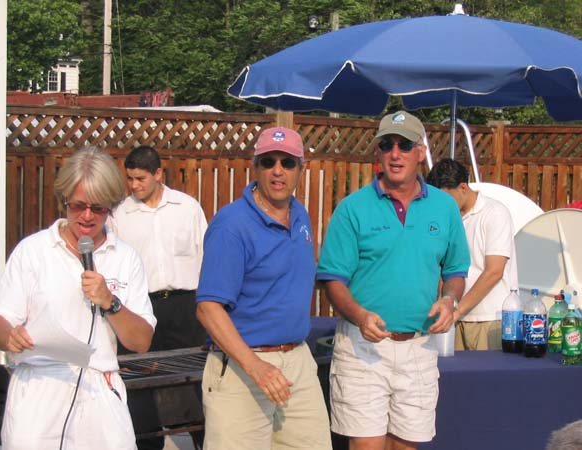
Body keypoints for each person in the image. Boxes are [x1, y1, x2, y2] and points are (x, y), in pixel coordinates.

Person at [316, 111, 470, 450]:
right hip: (362, 347)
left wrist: (449, 300)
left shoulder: (444, 207)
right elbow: (332, 280)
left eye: (405, 145)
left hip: (419, 346)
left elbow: (456, 270)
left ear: (421, 152)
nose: (395, 153)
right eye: (387, 144)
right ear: (378, 152)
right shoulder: (352, 208)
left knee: (406, 446)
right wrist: (359, 315)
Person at [0, 146, 156, 450]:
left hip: (99, 387)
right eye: (78, 206)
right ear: (64, 200)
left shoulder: (125, 257)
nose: (87, 216)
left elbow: (141, 341)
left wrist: (110, 302)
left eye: (98, 208)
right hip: (39, 386)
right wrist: (9, 336)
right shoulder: (34, 250)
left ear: (111, 206)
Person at [196, 126, 332, 450]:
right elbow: (208, 308)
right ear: (254, 167)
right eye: (269, 162)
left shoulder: (300, 215)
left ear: (301, 169)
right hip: (243, 366)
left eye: (287, 162)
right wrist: (255, 366)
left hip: (297, 362)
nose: (278, 171)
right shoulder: (231, 225)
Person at [109, 145, 208, 450]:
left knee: (193, 383)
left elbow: (206, 256)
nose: (134, 185)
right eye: (130, 179)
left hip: (184, 307)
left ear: (158, 174)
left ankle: (203, 442)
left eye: (140, 178)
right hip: (140, 308)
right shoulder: (119, 215)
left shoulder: (187, 208)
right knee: (139, 386)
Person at [427, 158, 518, 351]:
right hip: (453, 319)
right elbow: (443, 267)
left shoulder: (495, 213)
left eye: (445, 198)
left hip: (488, 320)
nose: (441, 205)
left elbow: (494, 272)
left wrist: (457, 310)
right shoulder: (446, 218)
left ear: (462, 188)